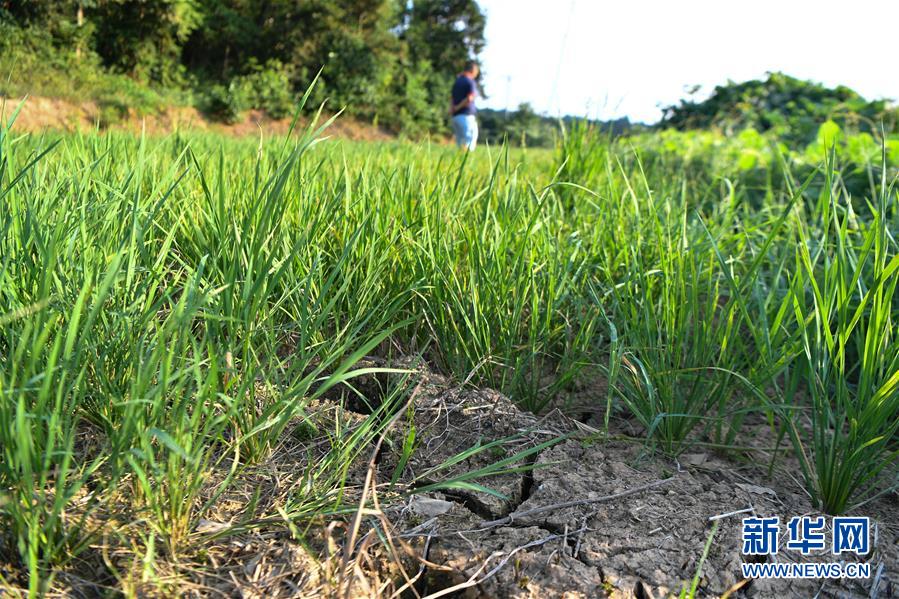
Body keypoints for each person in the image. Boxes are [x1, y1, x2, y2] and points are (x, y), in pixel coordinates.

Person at [449, 62, 480, 151]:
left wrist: (452, 109)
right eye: (476, 72)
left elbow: (452, 98)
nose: (476, 75)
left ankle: (459, 158)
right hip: (466, 116)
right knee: (469, 140)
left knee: (460, 142)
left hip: (455, 117)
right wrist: (457, 107)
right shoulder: (470, 81)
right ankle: (466, 159)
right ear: (473, 70)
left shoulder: (457, 81)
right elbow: (470, 98)